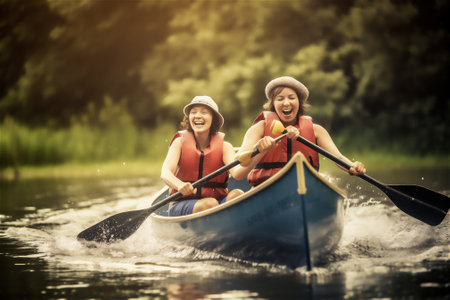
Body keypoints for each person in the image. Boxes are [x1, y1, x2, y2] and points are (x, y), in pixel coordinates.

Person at [233, 76, 366, 186]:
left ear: (299, 102)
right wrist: (261, 151)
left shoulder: (316, 131)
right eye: (280, 99)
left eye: (291, 97)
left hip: (306, 189)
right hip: (266, 188)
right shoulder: (259, 129)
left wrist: (353, 166)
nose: (286, 103)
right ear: (273, 104)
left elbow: (339, 158)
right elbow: (239, 173)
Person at [161, 96, 244, 216]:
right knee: (209, 204)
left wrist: (259, 152)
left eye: (204, 112)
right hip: (182, 203)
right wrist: (179, 185)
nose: (198, 115)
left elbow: (238, 173)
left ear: (213, 119)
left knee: (238, 194)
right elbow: (165, 172)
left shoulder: (225, 147)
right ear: (189, 118)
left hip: (216, 202)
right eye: (193, 112)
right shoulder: (179, 143)